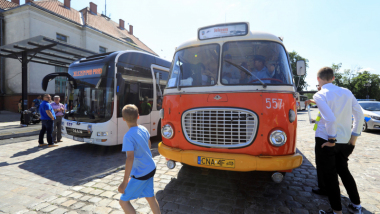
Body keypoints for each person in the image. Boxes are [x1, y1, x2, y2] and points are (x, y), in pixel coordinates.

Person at [305, 67, 363, 214]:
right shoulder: (346, 92)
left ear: (318, 79)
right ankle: (356, 205)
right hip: (346, 140)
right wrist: (354, 139)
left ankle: (337, 211)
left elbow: (330, 118)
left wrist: (331, 140)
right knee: (344, 172)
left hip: (326, 140)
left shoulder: (320, 94)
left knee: (331, 176)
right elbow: (359, 114)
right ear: (333, 78)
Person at [118, 104, 160, 214]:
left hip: (141, 173)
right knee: (150, 197)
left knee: (123, 202)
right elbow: (149, 144)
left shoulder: (128, 136)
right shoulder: (143, 129)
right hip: (150, 168)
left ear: (123, 118)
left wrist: (125, 181)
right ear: (138, 116)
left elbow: (130, 158)